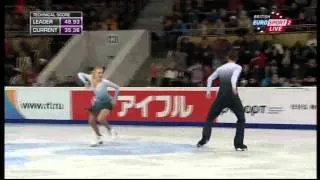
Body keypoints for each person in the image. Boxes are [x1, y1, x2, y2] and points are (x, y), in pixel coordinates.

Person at [197, 50, 247, 151]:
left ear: (228, 58)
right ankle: (239, 145)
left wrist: (208, 92)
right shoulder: (237, 67)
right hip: (232, 96)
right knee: (241, 119)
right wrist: (233, 88)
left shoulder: (221, 68)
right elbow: (234, 78)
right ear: (236, 59)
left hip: (221, 96)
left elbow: (210, 79)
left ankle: (204, 139)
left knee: (209, 118)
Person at [78, 66, 120, 146]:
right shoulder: (90, 78)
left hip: (107, 102)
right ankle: (98, 137)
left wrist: (115, 99)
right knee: (91, 121)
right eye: (99, 73)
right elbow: (80, 74)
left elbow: (117, 88)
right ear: (94, 73)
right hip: (98, 103)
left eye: (102, 73)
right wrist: (85, 82)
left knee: (100, 119)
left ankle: (111, 130)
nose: (101, 74)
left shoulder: (105, 82)